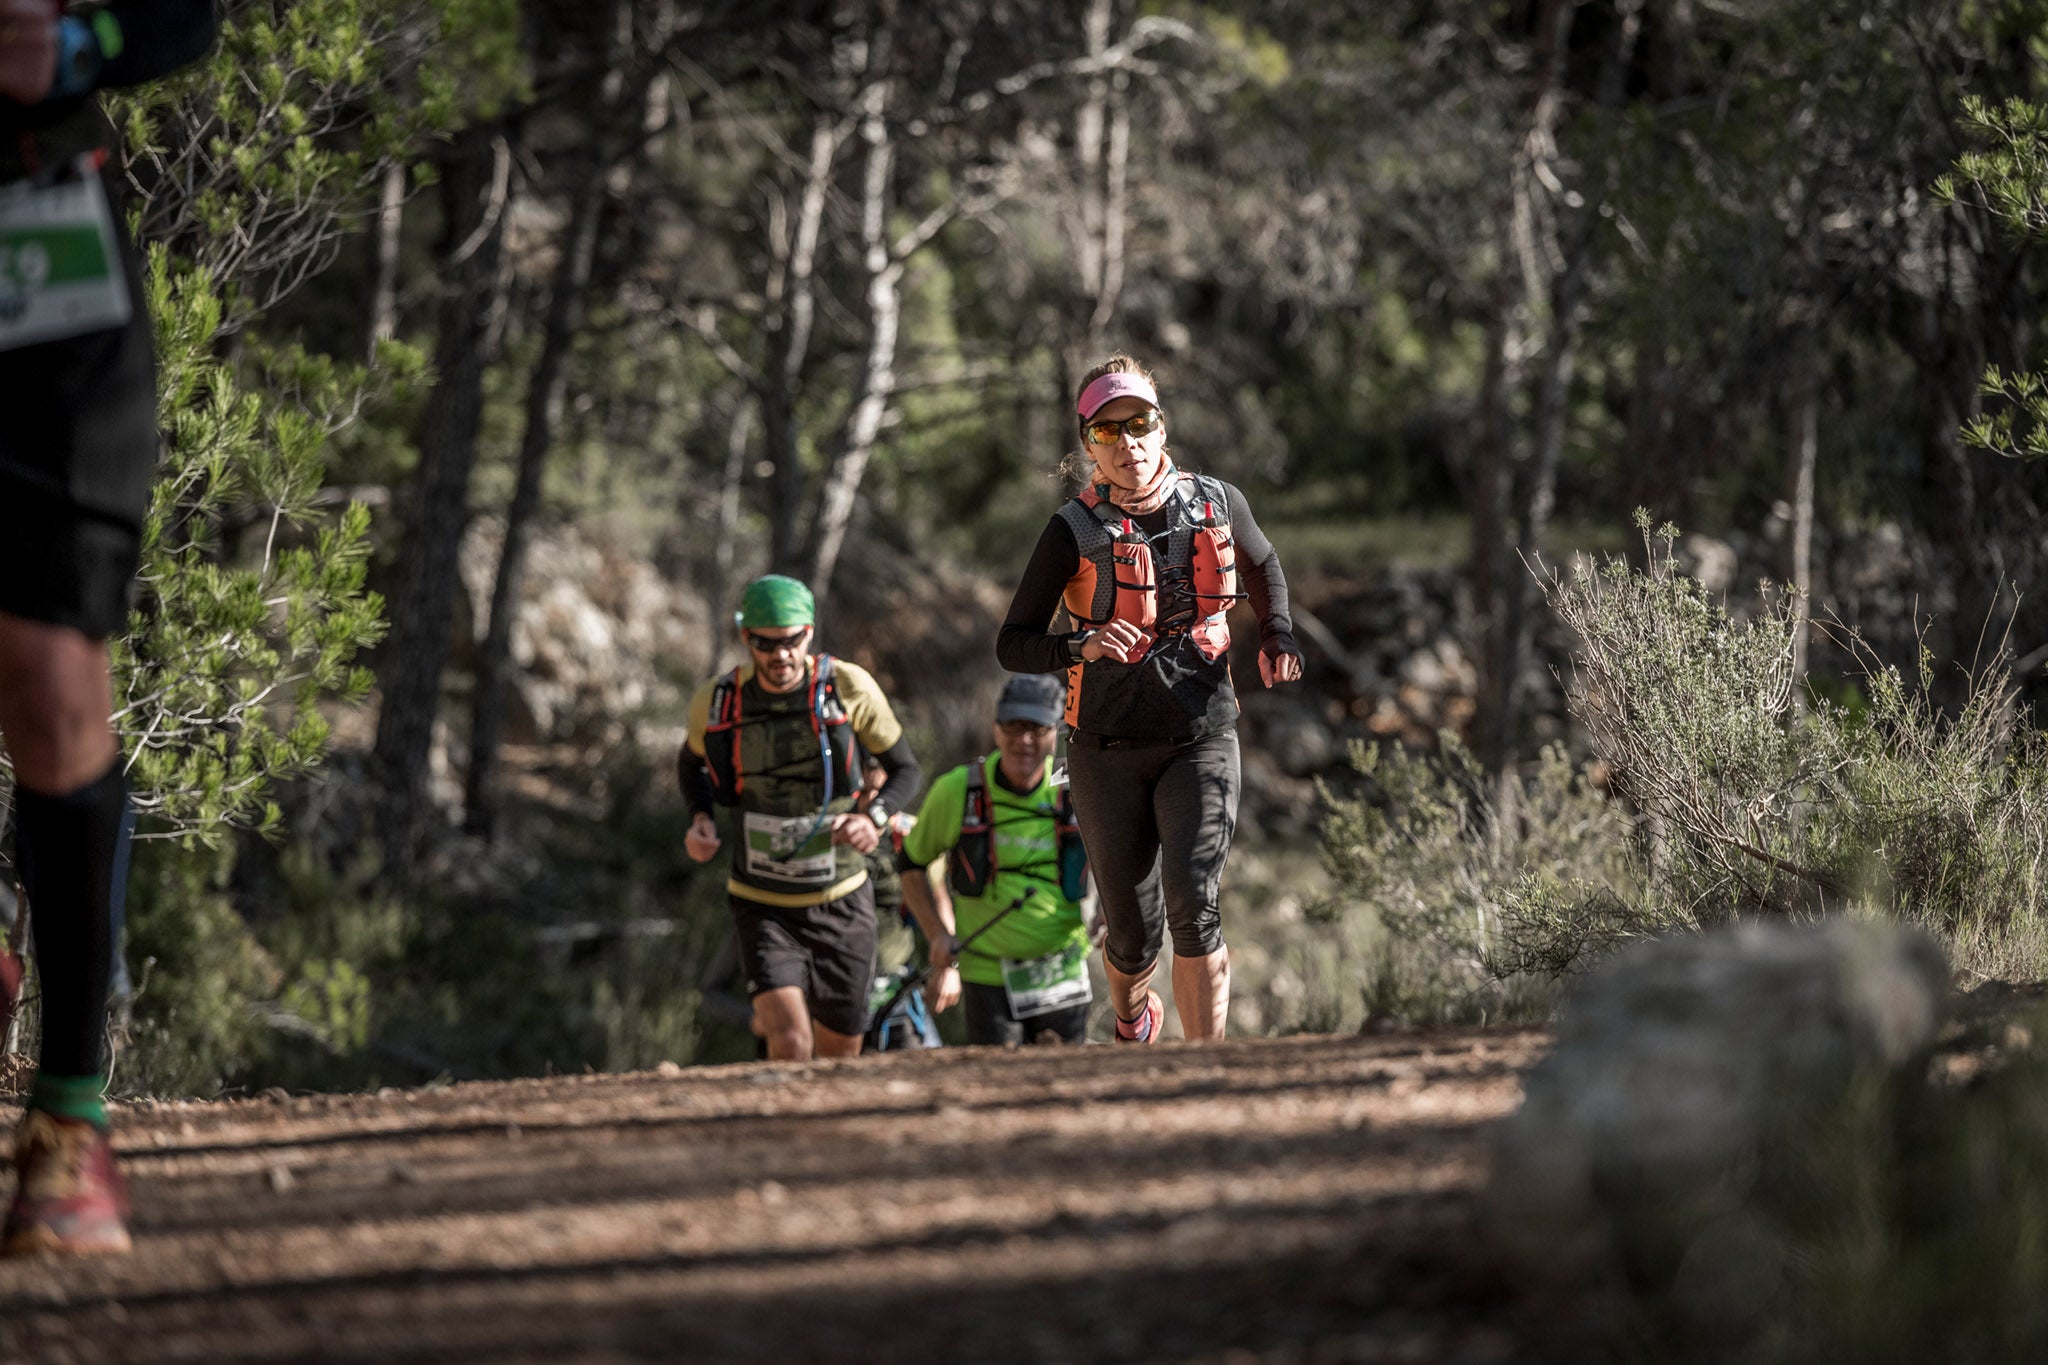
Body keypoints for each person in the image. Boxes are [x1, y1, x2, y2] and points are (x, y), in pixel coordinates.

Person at [0, 0, 217, 1257]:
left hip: (35, 242)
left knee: (45, 670)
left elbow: (189, 13)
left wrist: (76, 50)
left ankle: (69, 1123)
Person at [996, 355, 1301, 1044]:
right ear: (1088, 446)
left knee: (1195, 903)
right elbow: (1012, 643)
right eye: (1109, 431)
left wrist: (1276, 632)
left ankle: (1205, 1072)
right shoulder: (1071, 530)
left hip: (1202, 735)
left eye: (1140, 423)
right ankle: (1134, 1019)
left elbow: (1262, 563)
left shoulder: (1218, 501)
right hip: (1105, 749)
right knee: (1133, 936)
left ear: (1161, 427)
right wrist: (1083, 644)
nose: (1128, 442)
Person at [678, 575, 920, 1061]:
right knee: (789, 1039)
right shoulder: (720, 698)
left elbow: (904, 769)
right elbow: (691, 764)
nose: (780, 655)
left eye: (791, 640)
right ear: (747, 639)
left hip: (842, 898)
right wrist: (700, 818)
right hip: (761, 901)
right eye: (766, 644)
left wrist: (872, 818)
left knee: (839, 1052)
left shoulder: (847, 686)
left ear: (809, 633)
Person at [899, 673, 1093, 1046]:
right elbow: (911, 862)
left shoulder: (1078, 787)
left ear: (1056, 733)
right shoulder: (957, 790)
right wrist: (937, 934)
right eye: (1013, 727)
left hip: (1062, 968)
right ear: (995, 729)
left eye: (1037, 729)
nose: (1024, 741)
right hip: (987, 973)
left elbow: (1121, 858)